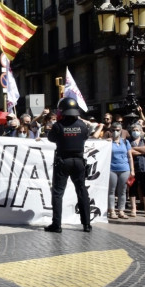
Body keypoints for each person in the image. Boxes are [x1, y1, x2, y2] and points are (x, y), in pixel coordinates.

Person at [44, 97, 92, 233]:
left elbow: (51, 138)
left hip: (63, 161)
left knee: (58, 193)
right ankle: (87, 224)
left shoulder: (58, 126)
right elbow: (85, 137)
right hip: (79, 162)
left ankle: (56, 225)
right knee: (82, 191)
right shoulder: (82, 126)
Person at [108, 122, 134, 219]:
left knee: (122, 191)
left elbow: (130, 157)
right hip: (112, 169)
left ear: (121, 130)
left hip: (124, 169)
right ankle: (112, 210)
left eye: (118, 130)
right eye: (113, 130)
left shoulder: (125, 142)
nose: (115, 132)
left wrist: (132, 170)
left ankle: (121, 210)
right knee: (111, 190)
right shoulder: (108, 142)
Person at [128, 123, 145, 217]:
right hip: (133, 168)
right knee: (132, 188)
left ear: (140, 130)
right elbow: (129, 152)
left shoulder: (144, 138)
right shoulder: (128, 140)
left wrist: (134, 149)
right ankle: (133, 209)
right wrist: (142, 151)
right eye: (134, 130)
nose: (135, 132)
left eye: (137, 130)